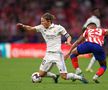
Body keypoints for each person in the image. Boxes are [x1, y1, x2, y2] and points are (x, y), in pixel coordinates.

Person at [17, 13, 88, 83]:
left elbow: (68, 36)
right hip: (48, 54)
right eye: (41, 21)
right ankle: (54, 76)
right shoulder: (41, 27)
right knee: (41, 74)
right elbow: (31, 28)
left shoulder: (58, 28)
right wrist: (23, 26)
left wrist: (68, 42)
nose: (41, 23)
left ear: (49, 21)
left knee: (64, 76)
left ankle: (80, 77)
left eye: (43, 21)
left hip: (58, 54)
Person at [82, 8, 101, 73]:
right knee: (97, 52)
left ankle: (87, 68)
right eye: (97, 12)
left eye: (98, 12)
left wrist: (84, 36)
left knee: (96, 52)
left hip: (88, 38)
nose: (98, 13)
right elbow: (98, 30)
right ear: (94, 13)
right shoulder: (97, 20)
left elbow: (84, 27)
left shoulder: (89, 19)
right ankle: (88, 68)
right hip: (95, 39)